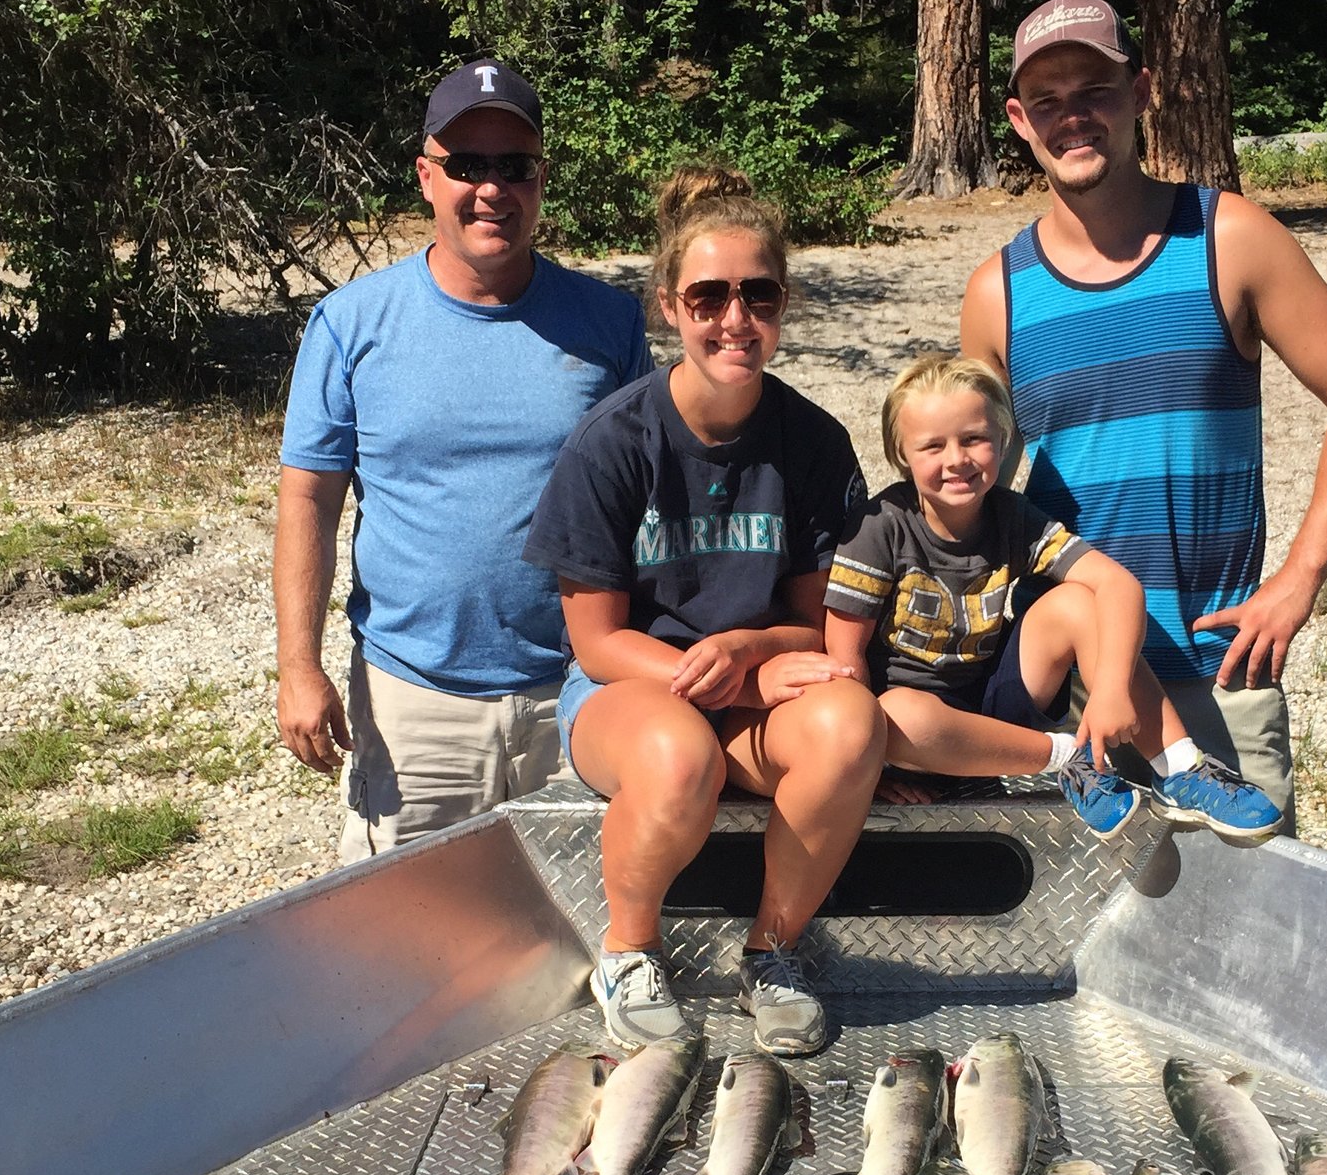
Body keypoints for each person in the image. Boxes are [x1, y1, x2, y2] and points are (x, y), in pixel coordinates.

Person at [962, 0, 1327, 834]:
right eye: (1047, 101)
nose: (1073, 117)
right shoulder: (996, 295)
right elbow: (969, 492)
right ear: (1019, 121)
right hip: (1074, 693)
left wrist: (1299, 580)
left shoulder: (1230, 238)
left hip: (1217, 680)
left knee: (1249, 916)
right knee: (1089, 922)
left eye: (1094, 90)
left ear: (1141, 92)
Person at [525, 165, 883, 1057]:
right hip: (629, 694)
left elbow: (816, 625)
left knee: (850, 723)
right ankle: (629, 950)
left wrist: (751, 650)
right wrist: (713, 676)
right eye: (709, 296)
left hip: (752, 687)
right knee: (680, 752)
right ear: (668, 307)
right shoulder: (613, 441)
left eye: (758, 294)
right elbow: (598, 643)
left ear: (783, 303)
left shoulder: (812, 441)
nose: (735, 317)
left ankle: (773, 950)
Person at [273, 60, 652, 860]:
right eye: (467, 165)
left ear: (541, 179)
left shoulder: (609, 323)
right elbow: (308, 499)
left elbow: (648, 498)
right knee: (408, 925)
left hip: (579, 695)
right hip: (413, 702)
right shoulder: (350, 324)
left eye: (514, 166)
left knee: (581, 921)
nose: (491, 189)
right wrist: (298, 666)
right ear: (425, 177)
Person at [823, 354, 1282, 844]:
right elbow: (844, 660)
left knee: (1079, 603)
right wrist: (867, 766)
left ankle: (1180, 768)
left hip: (991, 709)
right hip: (909, 738)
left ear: (1002, 438)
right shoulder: (880, 526)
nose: (956, 459)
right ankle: (1067, 757)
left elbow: (1119, 585)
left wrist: (1110, 690)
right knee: (900, 711)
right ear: (901, 453)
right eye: (932, 445)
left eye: (973, 438)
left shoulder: (1012, 516)